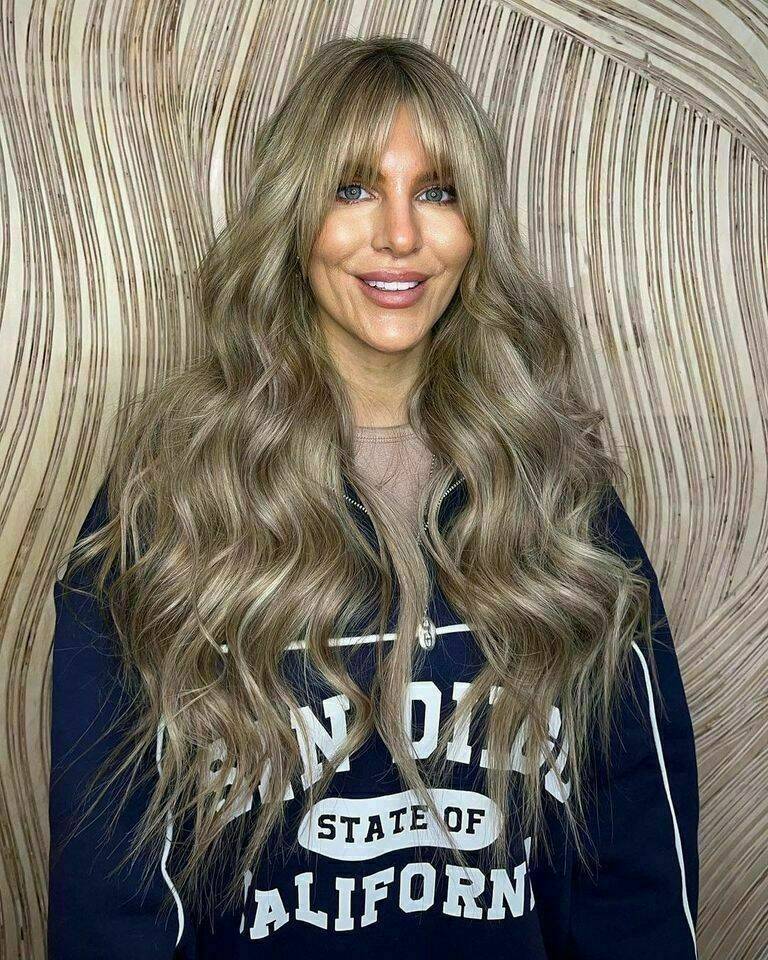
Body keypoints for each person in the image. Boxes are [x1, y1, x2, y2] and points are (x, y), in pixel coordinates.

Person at [46, 35, 699, 959]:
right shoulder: (171, 504)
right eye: (353, 189)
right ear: (295, 216)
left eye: (438, 192)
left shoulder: (558, 499)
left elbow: (635, 865)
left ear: (476, 230)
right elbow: (109, 886)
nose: (399, 234)